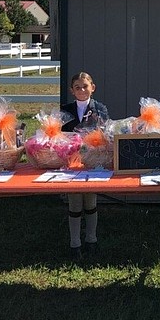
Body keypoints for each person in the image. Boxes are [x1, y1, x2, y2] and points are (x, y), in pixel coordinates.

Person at [61, 71, 109, 261]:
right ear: (72, 90)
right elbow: (61, 135)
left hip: (92, 159)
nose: (81, 90)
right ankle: (75, 243)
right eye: (77, 87)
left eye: (85, 86)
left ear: (92, 88)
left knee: (90, 200)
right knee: (74, 202)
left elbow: (104, 131)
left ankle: (92, 239)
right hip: (72, 162)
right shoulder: (65, 110)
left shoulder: (100, 108)